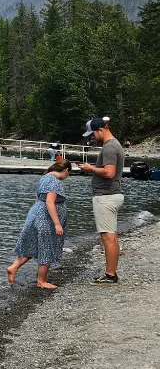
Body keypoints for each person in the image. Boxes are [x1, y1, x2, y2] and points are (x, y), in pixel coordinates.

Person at [7, 159, 73, 289]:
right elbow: (49, 202)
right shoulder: (54, 181)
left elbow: (38, 198)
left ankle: (13, 267)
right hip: (45, 218)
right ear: (66, 170)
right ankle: (41, 281)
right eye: (69, 173)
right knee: (46, 247)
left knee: (34, 245)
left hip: (36, 214)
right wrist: (57, 224)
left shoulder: (45, 178)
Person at [79, 117, 125, 285]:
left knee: (107, 237)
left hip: (106, 196)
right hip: (112, 195)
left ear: (100, 130)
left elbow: (109, 172)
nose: (92, 138)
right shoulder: (114, 145)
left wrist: (90, 168)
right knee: (111, 236)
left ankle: (110, 275)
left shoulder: (109, 147)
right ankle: (112, 273)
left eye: (92, 134)